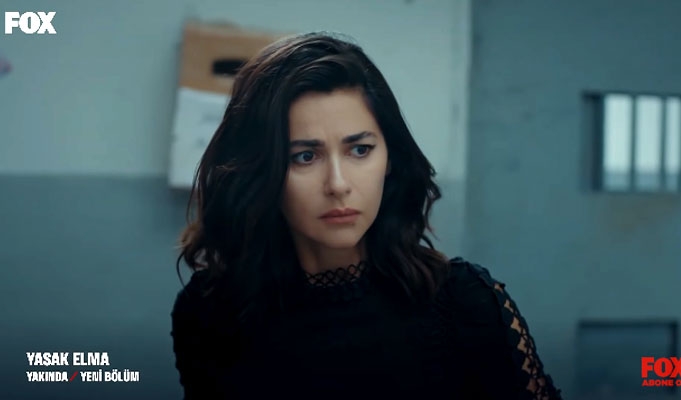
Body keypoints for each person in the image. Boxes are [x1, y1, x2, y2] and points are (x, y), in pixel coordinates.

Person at [170, 31, 563, 400]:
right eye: (304, 156)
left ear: (390, 159)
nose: (338, 184)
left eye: (359, 150)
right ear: (262, 171)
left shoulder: (465, 302)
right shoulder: (209, 313)